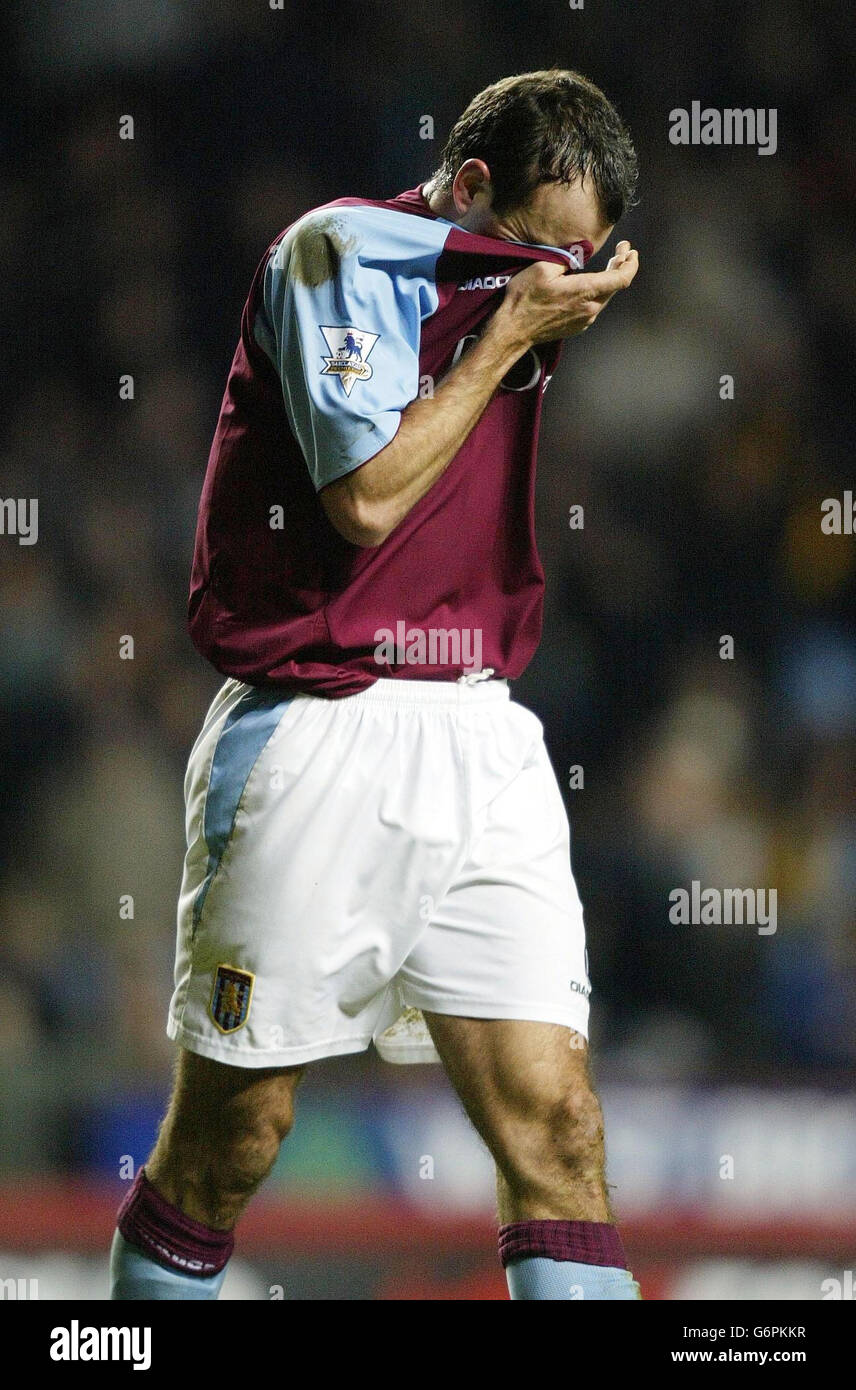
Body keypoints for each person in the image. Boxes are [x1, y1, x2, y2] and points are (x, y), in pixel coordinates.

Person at [110, 68, 641, 1301]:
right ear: (466, 188)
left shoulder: (519, 272)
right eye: (540, 248)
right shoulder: (338, 252)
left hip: (482, 732)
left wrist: (532, 292)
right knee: (229, 1142)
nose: (558, 279)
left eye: (583, 257)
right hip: (316, 725)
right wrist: (510, 328)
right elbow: (366, 500)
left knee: (558, 1129)